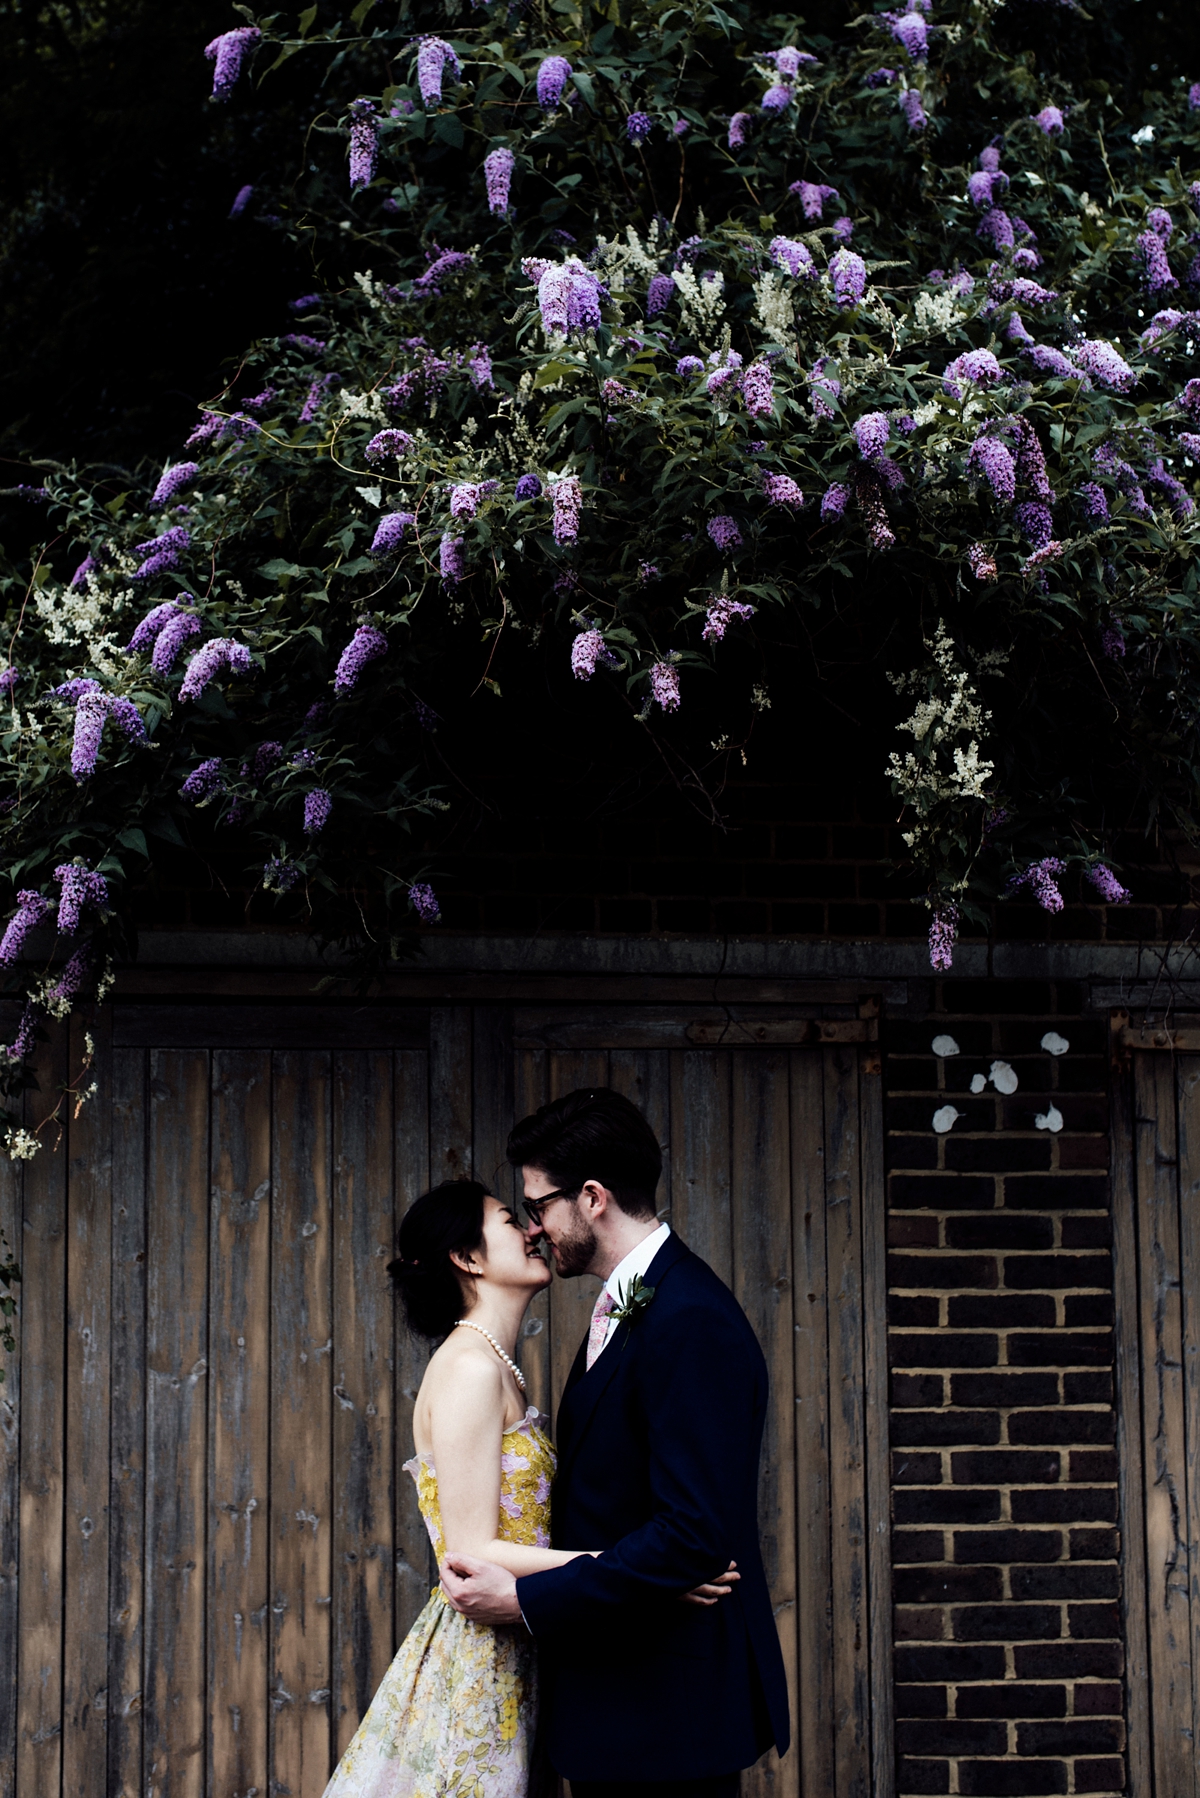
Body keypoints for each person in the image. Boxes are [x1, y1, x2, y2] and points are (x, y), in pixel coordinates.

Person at [321, 1177, 734, 1798]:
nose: (531, 1231)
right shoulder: (467, 1369)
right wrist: (648, 1577)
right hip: (481, 1658)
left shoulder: (497, 1367)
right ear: (467, 1258)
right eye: (510, 1220)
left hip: (528, 1645)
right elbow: (471, 1550)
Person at [441, 1088, 791, 1798]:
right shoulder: (634, 1305)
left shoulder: (689, 1317)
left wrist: (528, 1601)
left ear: (592, 1198)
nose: (534, 1228)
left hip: (665, 1712)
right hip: (625, 1706)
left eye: (538, 1206)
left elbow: (692, 1534)